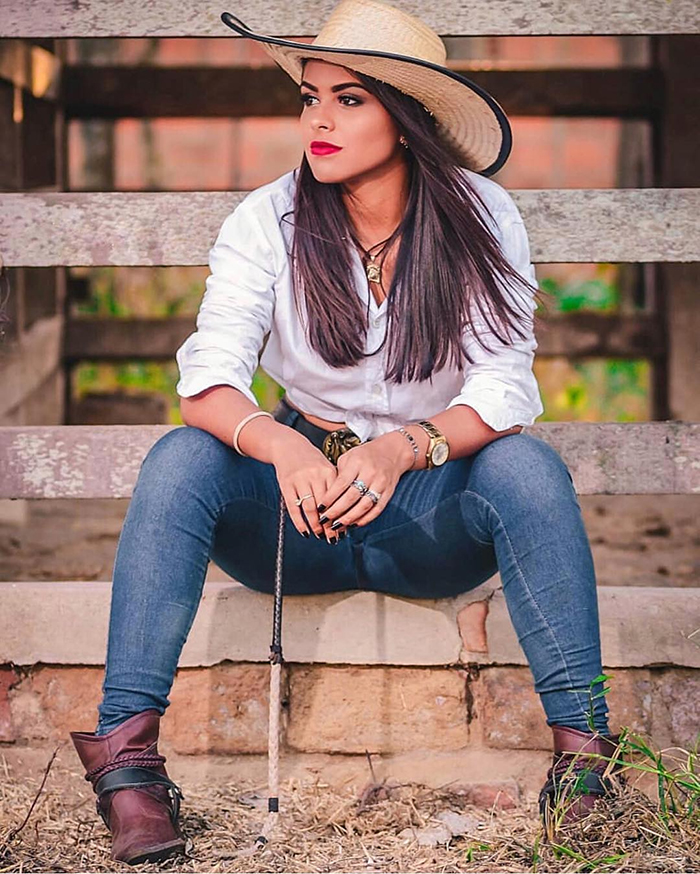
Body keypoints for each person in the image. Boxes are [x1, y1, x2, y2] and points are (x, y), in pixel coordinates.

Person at [68, 0, 624, 864]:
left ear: (407, 120)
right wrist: (282, 444)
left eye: (352, 99)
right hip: (296, 519)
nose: (319, 120)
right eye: (310, 98)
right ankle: (128, 766)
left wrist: (404, 448)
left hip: (422, 512)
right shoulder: (269, 220)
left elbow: (506, 385)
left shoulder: (479, 216)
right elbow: (207, 379)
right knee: (182, 459)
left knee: (530, 471)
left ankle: (585, 766)